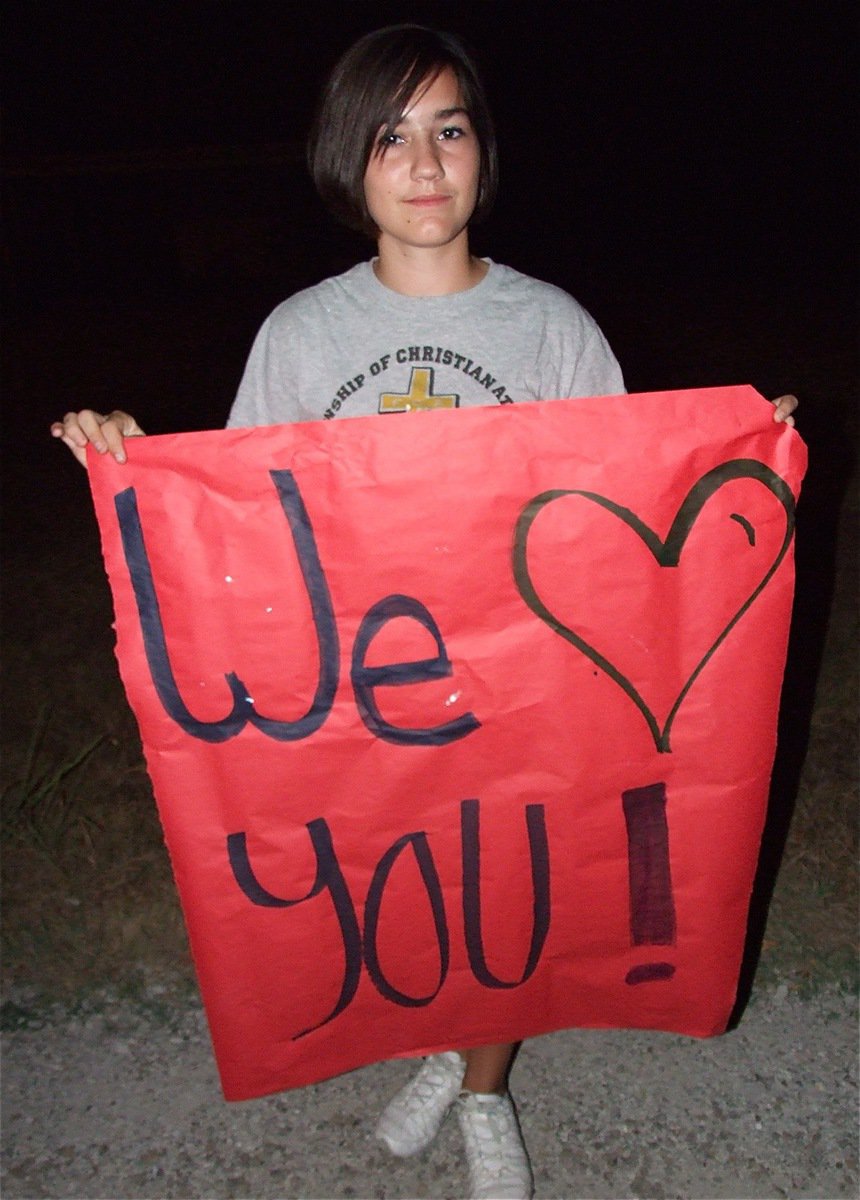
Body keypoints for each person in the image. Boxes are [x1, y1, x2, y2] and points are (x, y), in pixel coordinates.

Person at [50, 24, 798, 1200]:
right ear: (347, 162)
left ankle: (483, 1083)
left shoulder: (548, 326)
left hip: (525, 672)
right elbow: (241, 514)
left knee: (508, 881)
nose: (423, 164)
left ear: (482, 153)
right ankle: (437, 1043)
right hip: (368, 686)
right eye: (390, 137)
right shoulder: (302, 334)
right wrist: (132, 458)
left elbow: (622, 498)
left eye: (448, 130)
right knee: (402, 877)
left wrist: (733, 447)